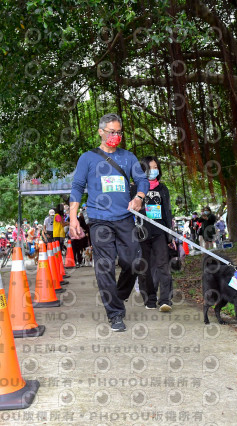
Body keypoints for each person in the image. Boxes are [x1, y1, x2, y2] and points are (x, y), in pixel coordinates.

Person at [69, 113, 148, 332]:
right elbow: (76, 187)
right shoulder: (88, 158)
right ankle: (115, 314)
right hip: (99, 220)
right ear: (101, 132)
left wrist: (139, 198)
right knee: (104, 267)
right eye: (111, 132)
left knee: (133, 262)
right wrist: (74, 218)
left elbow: (141, 180)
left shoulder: (128, 157)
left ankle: (119, 296)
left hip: (124, 218)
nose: (116, 136)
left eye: (119, 132)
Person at [135, 156, 174, 311]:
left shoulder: (163, 189)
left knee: (163, 266)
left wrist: (169, 235)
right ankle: (150, 298)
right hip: (141, 234)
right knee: (144, 268)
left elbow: (167, 212)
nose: (154, 170)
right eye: (150, 168)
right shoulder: (135, 189)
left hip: (160, 233)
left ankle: (165, 300)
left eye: (156, 167)